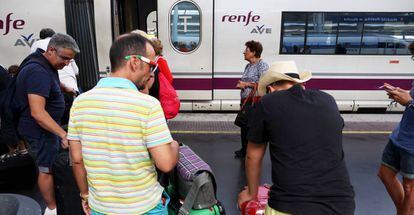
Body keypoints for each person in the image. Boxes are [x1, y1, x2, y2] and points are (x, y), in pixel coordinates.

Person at [68, 33, 179, 215]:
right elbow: (166, 164)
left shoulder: (80, 102)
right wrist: (174, 146)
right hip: (145, 207)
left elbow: (77, 159)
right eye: (152, 65)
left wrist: (85, 195)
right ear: (135, 62)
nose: (152, 73)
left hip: (101, 207)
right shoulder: (148, 105)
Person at [238, 61, 355, 214]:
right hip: (341, 204)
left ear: (270, 89)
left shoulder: (268, 102)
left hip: (290, 204)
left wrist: (251, 194)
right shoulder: (328, 100)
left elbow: (253, 157)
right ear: (299, 83)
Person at [16, 33, 79, 215]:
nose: (67, 63)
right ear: (51, 50)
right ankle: (52, 209)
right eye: (65, 58)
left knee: (49, 166)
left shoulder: (42, 61)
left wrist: (62, 87)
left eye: (70, 60)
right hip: (39, 132)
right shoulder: (37, 72)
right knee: (46, 169)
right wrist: (62, 134)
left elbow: (48, 81)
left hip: (44, 130)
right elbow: (38, 113)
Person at [378, 42, 414, 215]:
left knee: (409, 189)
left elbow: (411, 102)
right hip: (400, 136)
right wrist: (400, 92)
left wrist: (409, 102)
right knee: (384, 174)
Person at [235, 40, 269, 159]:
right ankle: (244, 150)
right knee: (244, 125)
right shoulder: (248, 65)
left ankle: (250, 152)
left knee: (251, 127)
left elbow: (264, 83)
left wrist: (246, 84)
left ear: (254, 52)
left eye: (247, 50)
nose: (244, 52)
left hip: (255, 101)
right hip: (246, 101)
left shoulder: (262, 65)